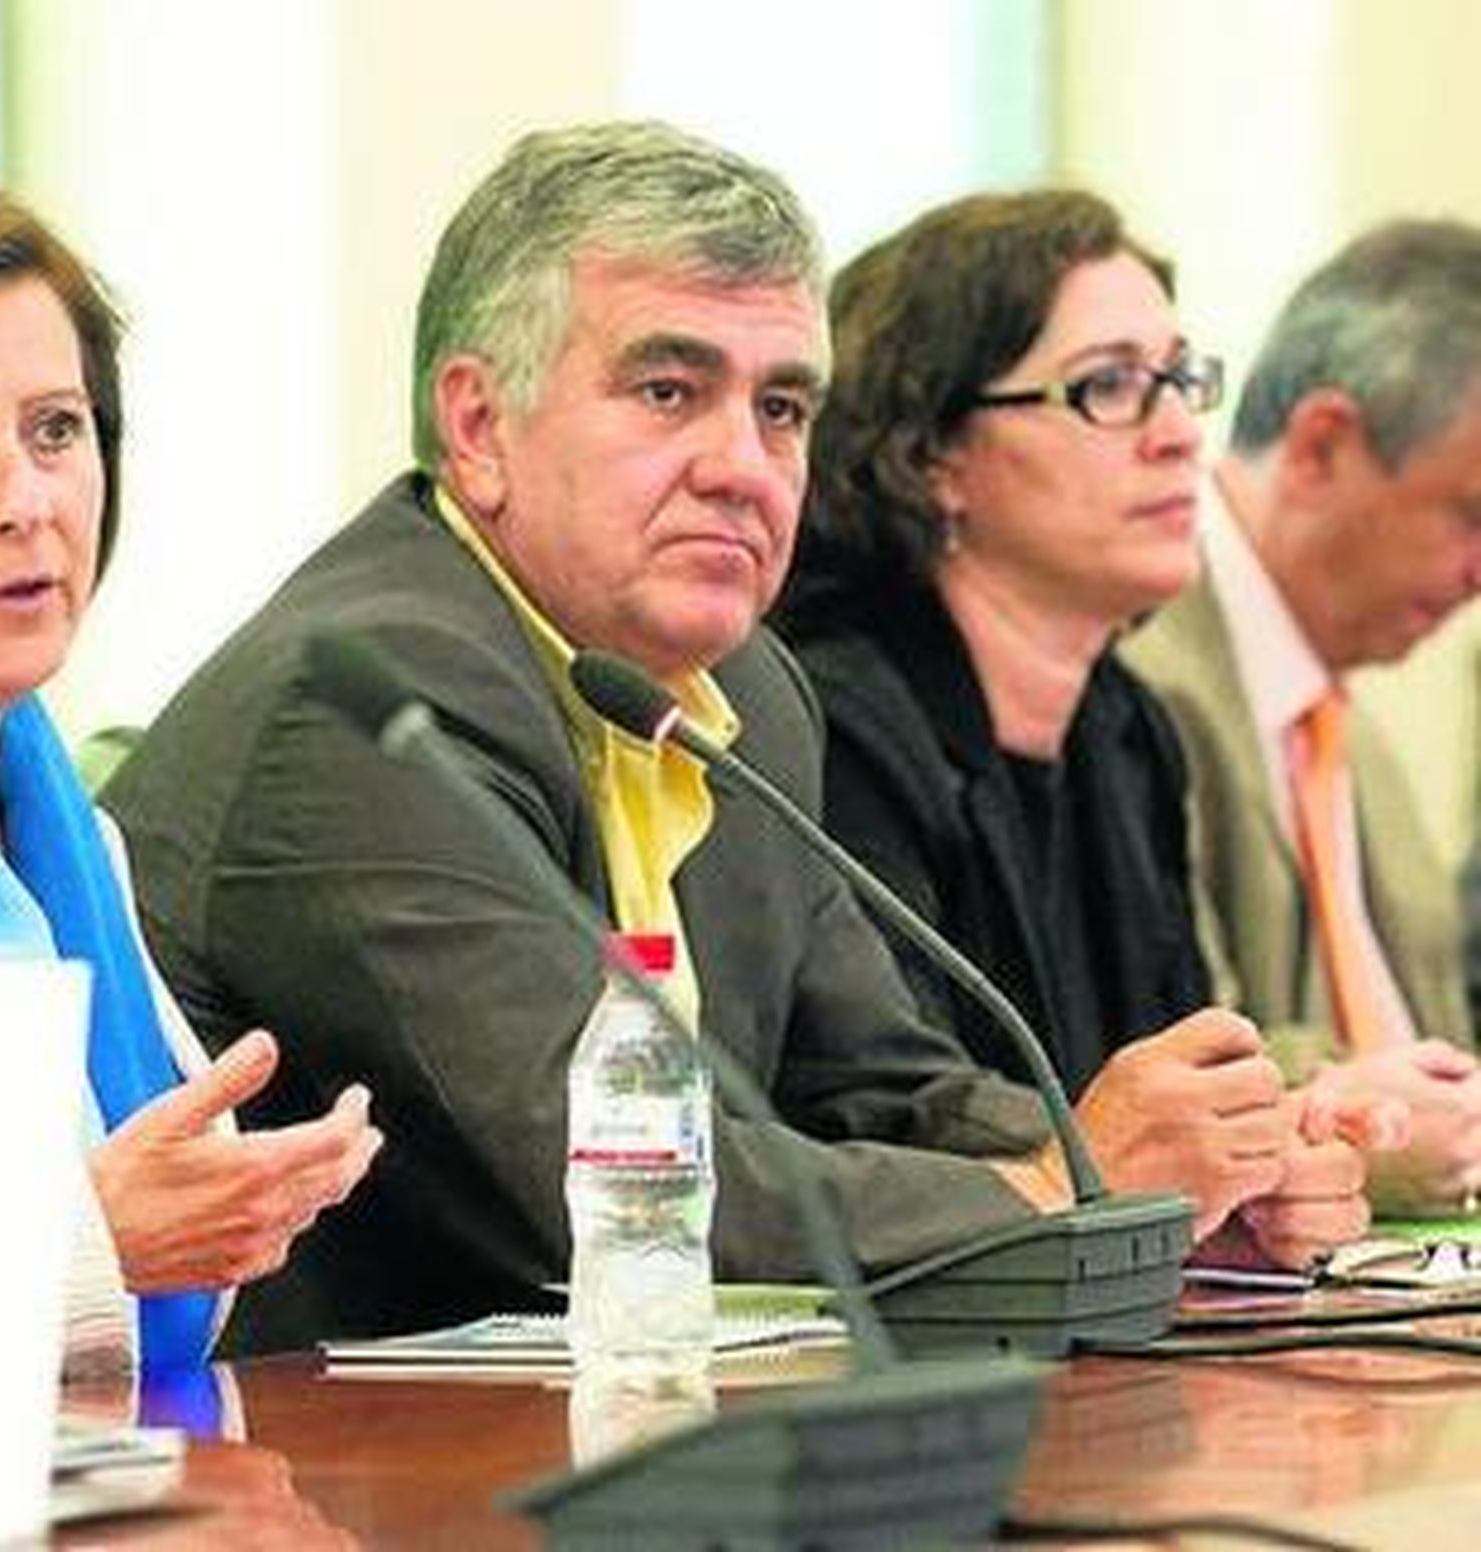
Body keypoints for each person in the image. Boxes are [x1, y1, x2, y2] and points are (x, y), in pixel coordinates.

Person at [104, 120, 1099, 1358]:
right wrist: (1045, 1201)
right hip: (321, 1479)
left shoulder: (741, 693)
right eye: (669, 391)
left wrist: (1138, 1158)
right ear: (477, 426)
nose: (745, 466)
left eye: (782, 407)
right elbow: (605, 1190)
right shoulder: (372, 707)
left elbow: (882, 1084)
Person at [773, 189, 1376, 1268]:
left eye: (1181, 382)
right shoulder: (825, 721)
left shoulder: (1125, 725)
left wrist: (1265, 1166)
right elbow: (881, 1119)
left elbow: (1178, 1090)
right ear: (932, 456)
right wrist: (1134, 1176)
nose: (1179, 434)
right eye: (1108, 388)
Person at [0, 171, 382, 1378]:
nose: (29, 503)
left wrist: (243, 1198)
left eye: (58, 430)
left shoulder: (63, 833)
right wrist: (92, 1239)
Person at [1123, 219, 1481, 1216]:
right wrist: (1370, 1132)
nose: (1478, 575)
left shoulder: (1350, 731)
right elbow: (1164, 1080)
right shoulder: (1130, 679)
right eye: (1470, 514)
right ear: (1321, 444)